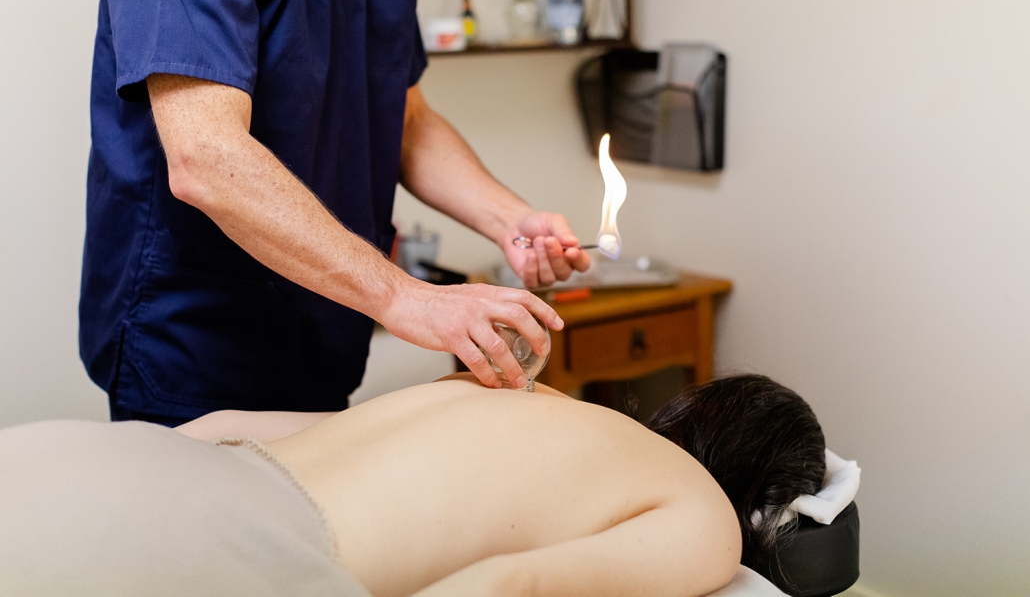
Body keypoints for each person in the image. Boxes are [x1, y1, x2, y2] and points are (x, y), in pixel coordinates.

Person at [81, 0, 590, 427]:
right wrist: (405, 297)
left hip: (321, 329)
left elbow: (405, 117)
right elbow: (207, 157)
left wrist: (509, 221)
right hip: (194, 341)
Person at [0, 374, 825, 597]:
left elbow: (220, 420)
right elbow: (507, 585)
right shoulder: (705, 518)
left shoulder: (507, 391)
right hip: (230, 546)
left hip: (100, 460)